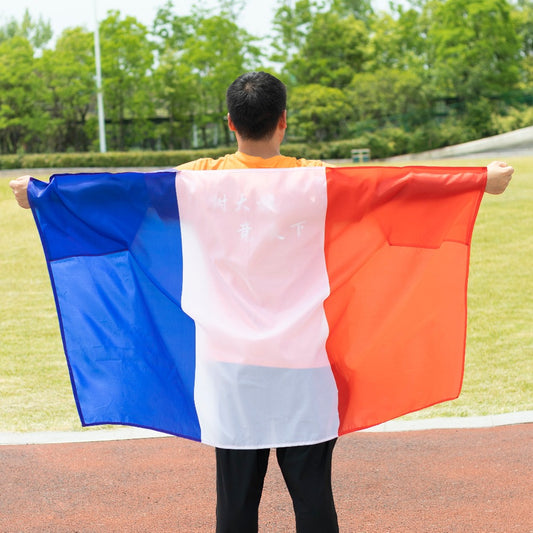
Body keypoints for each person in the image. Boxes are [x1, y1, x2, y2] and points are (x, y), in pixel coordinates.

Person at [10, 71, 514, 533]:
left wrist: (41, 196)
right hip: (303, 366)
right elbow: (390, 190)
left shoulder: (196, 181)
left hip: (229, 373)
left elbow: (119, 195)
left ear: (230, 124)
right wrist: (478, 181)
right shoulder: (316, 181)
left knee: (236, 505)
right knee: (313, 497)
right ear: (283, 123)